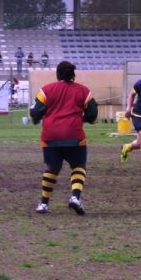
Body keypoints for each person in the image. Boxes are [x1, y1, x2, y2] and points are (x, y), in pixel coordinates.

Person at [29, 60, 98, 215]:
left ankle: (44, 204)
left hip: (50, 136)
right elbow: (93, 114)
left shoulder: (46, 90)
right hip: (74, 136)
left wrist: (34, 116)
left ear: (57, 74)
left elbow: (36, 112)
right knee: (78, 167)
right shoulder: (83, 91)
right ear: (73, 74)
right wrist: (85, 119)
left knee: (51, 169)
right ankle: (75, 197)